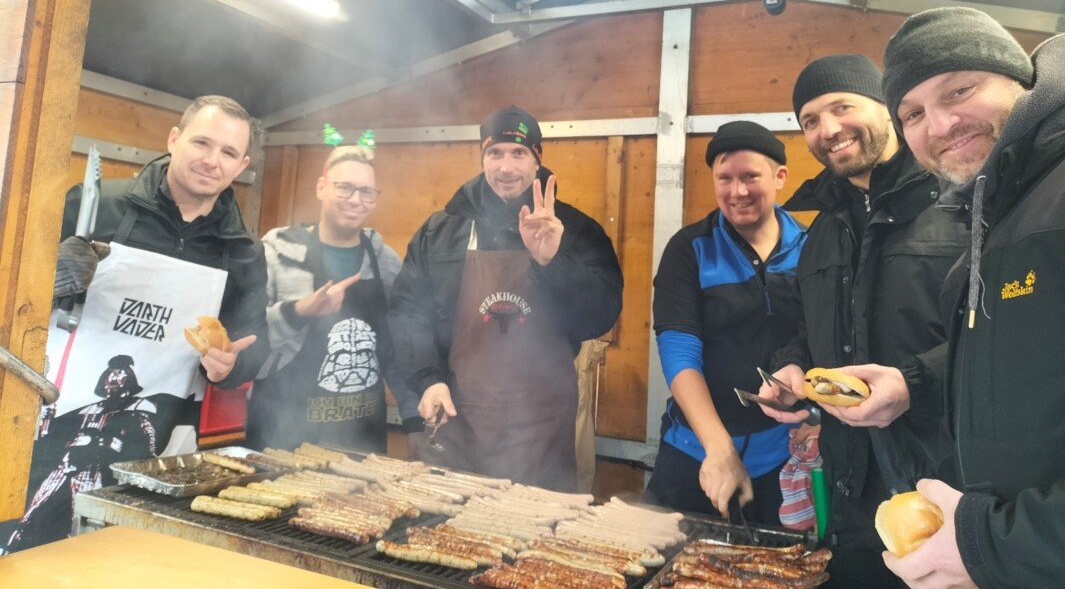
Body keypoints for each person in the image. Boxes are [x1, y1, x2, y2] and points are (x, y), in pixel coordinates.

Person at [4, 95, 269, 553]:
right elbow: (13, 291)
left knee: (115, 560)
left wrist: (230, 367)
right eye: (202, 142)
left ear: (242, 164)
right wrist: (51, 278)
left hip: (158, 448)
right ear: (174, 138)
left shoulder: (244, 251)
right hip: (50, 419)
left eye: (228, 153)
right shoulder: (100, 206)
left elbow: (253, 343)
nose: (212, 160)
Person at [869, 7, 1065, 588]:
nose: (941, 124)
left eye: (960, 89)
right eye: (913, 113)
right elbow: (1025, 370)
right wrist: (913, 383)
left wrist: (993, 544)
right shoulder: (991, 233)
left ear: (1018, 79)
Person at [758, 55, 968, 588]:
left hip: (951, 487)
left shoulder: (960, 202)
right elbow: (813, 329)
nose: (828, 130)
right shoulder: (824, 227)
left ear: (887, 107)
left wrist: (912, 384)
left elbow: (1002, 338)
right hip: (852, 489)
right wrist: (793, 368)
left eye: (841, 106)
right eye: (809, 120)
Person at [389, 105, 623, 490]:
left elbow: (600, 316)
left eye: (519, 153)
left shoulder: (577, 231)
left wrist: (551, 263)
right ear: (482, 158)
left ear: (537, 159)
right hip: (456, 419)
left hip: (542, 431)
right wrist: (428, 379)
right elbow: (407, 312)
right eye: (494, 153)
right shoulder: (440, 231)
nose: (506, 167)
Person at [644, 121, 806, 525]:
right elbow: (679, 349)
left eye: (750, 176)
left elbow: (821, 339)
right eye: (725, 179)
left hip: (783, 458)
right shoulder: (690, 248)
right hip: (694, 451)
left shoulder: (813, 247)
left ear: (780, 176)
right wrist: (719, 449)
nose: (737, 192)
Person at [245, 142, 422, 453]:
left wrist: (414, 418)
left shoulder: (386, 263)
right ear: (321, 188)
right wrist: (297, 312)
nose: (355, 200)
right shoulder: (276, 253)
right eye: (345, 188)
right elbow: (247, 343)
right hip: (280, 439)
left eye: (366, 192)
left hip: (362, 441)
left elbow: (397, 350)